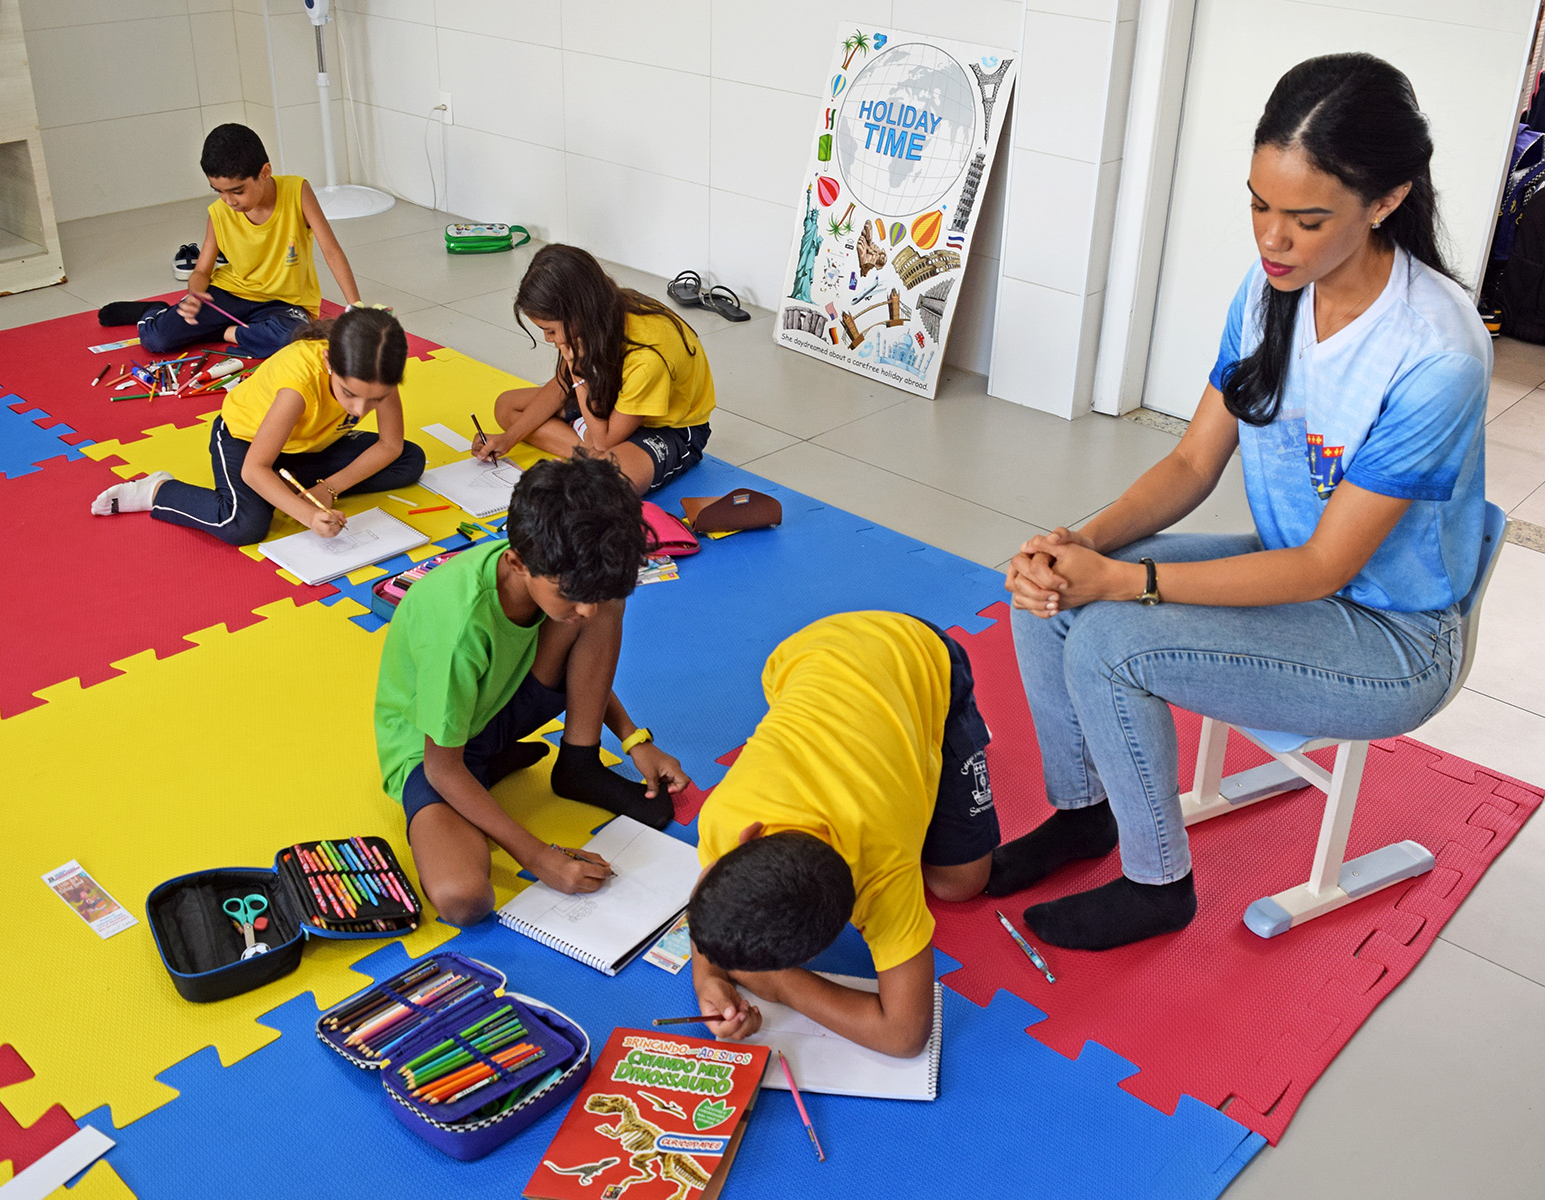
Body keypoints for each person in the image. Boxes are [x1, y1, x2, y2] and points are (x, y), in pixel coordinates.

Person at [994, 53, 1489, 951]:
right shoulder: (1271, 292)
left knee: (1108, 638)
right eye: (1259, 205)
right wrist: (1080, 544)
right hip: (1292, 578)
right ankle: (1084, 813)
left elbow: (1324, 566)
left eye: (1307, 219)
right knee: (1057, 596)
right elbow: (1193, 462)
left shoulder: (1436, 352)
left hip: (1392, 638)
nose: (1273, 239)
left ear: (1386, 201)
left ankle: (1158, 886)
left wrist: (1124, 583)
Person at [373, 454, 691, 926]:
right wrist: (541, 857)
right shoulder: (458, 630)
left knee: (603, 604)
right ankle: (490, 768)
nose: (584, 610)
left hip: (501, 704)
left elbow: (582, 644)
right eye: (571, 593)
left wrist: (633, 739)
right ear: (517, 562)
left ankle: (579, 763)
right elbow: (443, 768)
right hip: (434, 752)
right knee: (464, 899)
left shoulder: (555, 568)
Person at [686, 612, 998, 1058]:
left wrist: (780, 985)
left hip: (915, 649)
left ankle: (947, 730)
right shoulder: (725, 815)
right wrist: (708, 977)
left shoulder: (884, 871)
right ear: (747, 837)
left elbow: (905, 1036)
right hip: (803, 654)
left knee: (961, 884)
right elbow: (710, 893)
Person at [90, 307, 425, 546]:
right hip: (245, 441)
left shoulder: (378, 372)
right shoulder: (298, 387)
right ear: (328, 362)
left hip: (310, 444)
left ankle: (284, 487)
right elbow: (254, 468)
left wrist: (329, 489)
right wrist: (308, 516)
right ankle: (158, 491)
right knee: (244, 525)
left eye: (375, 399)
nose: (359, 409)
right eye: (349, 394)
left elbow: (390, 445)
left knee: (409, 460)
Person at [99, 123, 362, 359]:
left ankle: (221, 331)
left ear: (265, 172)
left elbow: (331, 250)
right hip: (230, 295)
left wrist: (355, 306)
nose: (229, 201)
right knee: (157, 339)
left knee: (293, 339)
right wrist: (194, 294)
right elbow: (201, 271)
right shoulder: (219, 213)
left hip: (285, 303)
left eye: (237, 191)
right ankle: (155, 311)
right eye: (219, 191)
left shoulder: (297, 191)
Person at [474, 245, 716, 496]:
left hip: (669, 428)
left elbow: (603, 440)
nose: (548, 339)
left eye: (550, 330)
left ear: (576, 313)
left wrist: (578, 372)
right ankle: (590, 450)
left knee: (611, 483)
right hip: (611, 402)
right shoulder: (594, 316)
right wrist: (508, 439)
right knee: (506, 407)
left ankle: (592, 449)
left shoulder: (646, 358)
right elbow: (562, 384)